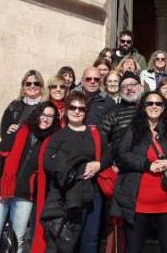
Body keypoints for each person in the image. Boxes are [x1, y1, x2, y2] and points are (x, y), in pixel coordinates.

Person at [111, 91, 167, 253]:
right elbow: (122, 154)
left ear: (163, 108)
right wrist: (148, 165)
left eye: (158, 104)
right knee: (133, 249)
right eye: (150, 103)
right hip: (138, 203)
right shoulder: (133, 130)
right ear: (143, 107)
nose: (154, 106)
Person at [0, 102, 60, 253]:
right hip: (1, 192)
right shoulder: (19, 132)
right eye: (43, 114)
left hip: (25, 196)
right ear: (37, 115)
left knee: (18, 241)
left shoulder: (52, 141)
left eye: (50, 116)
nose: (46, 119)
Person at [41, 91, 111, 253]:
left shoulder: (95, 133)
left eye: (81, 108)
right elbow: (48, 162)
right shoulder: (58, 136)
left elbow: (109, 154)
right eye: (73, 107)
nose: (77, 111)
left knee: (90, 238)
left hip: (92, 193)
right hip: (65, 194)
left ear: (86, 112)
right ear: (66, 110)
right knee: (64, 240)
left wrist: (98, 164)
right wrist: (75, 169)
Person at [73, 67, 115, 252]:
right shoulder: (72, 100)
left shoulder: (108, 103)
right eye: (88, 78)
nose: (92, 82)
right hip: (73, 173)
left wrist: (101, 163)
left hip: (97, 172)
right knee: (71, 231)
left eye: (96, 79)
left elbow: (113, 139)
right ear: (82, 80)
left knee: (92, 233)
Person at [0, 69, 46, 139]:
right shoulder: (14, 106)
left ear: (41, 86)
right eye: (28, 84)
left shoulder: (47, 106)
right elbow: (3, 133)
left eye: (36, 83)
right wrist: (8, 131)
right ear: (23, 87)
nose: (32, 86)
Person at [102, 71, 144, 148]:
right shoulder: (112, 113)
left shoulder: (151, 108)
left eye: (133, 84)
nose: (129, 88)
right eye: (125, 86)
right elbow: (103, 140)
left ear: (141, 87)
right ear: (120, 91)